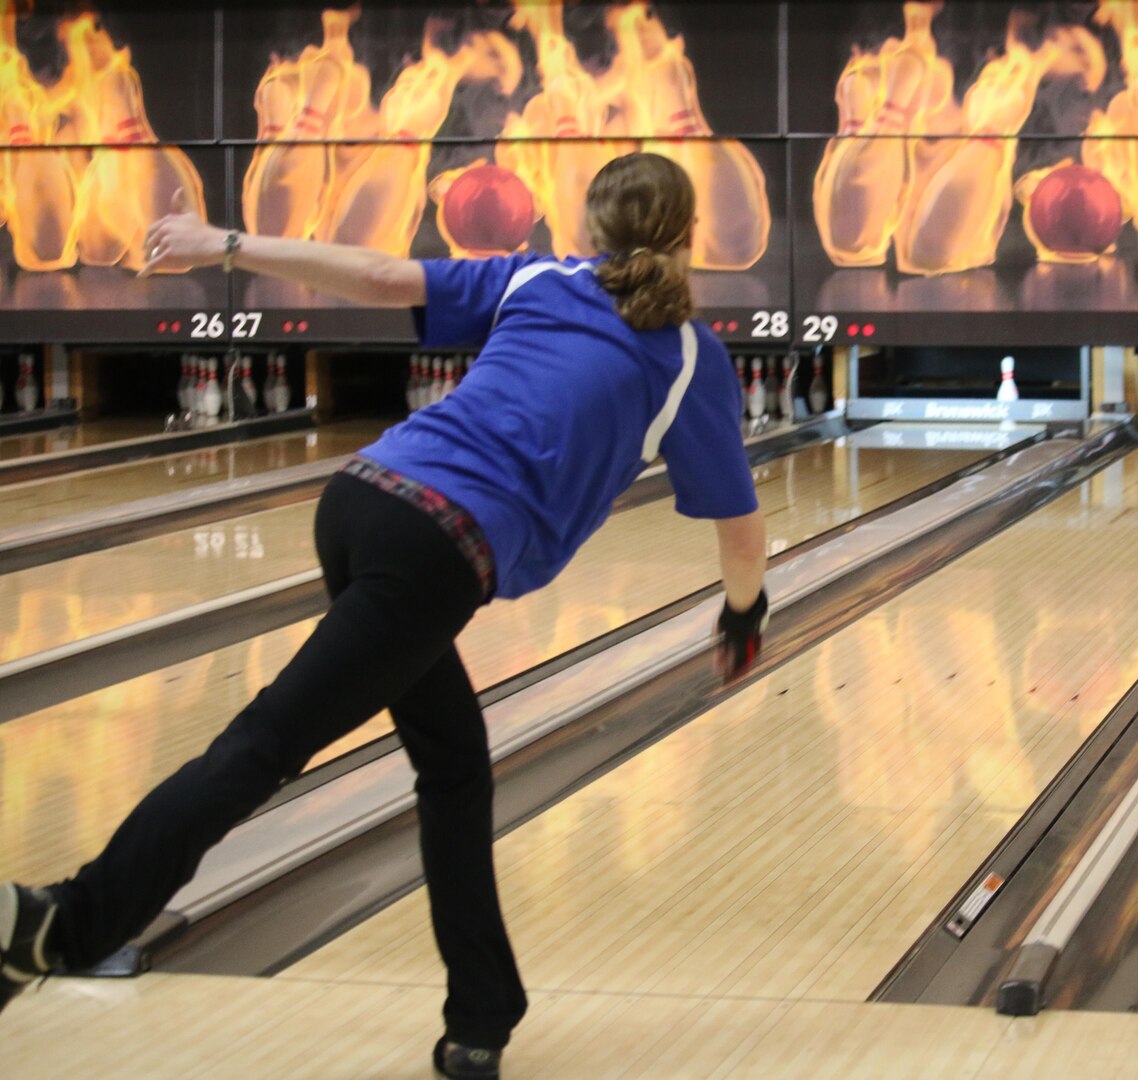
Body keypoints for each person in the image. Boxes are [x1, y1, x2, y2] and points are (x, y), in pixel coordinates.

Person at [0, 152, 769, 1080]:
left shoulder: (537, 275)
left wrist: (225, 242)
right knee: (265, 744)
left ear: (591, 226)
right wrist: (742, 616)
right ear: (690, 236)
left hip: (362, 499)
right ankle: (63, 923)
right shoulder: (691, 355)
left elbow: (372, 273)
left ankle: (482, 1015)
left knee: (454, 768)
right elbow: (740, 527)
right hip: (435, 551)